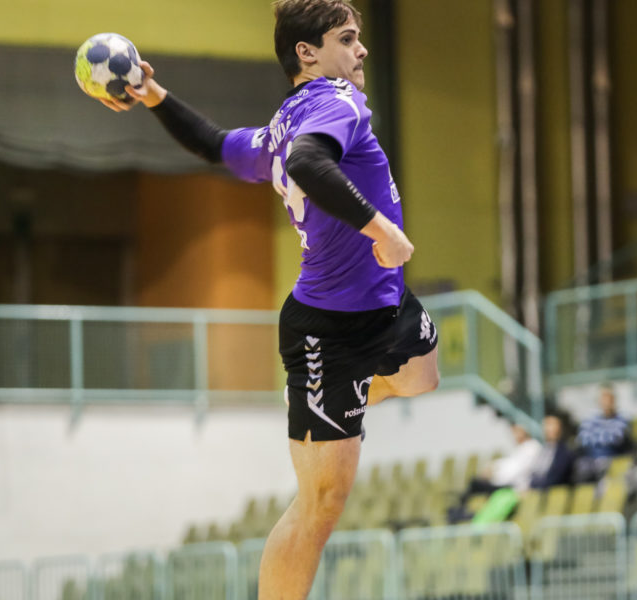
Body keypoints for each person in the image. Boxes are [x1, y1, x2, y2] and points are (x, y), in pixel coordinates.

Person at [97, 2, 440, 598]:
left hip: (384, 305)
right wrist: (380, 230)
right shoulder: (336, 100)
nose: (361, 51)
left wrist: (154, 96)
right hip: (325, 332)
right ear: (308, 53)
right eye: (347, 38)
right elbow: (309, 163)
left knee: (422, 379)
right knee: (321, 506)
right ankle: (330, 396)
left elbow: (211, 143)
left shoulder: (284, 125)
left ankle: (352, 395)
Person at [571, 384, 632, 483]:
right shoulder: (589, 420)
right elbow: (582, 440)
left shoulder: (623, 418)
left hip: (612, 460)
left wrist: (596, 438)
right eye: (604, 397)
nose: (606, 401)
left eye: (609, 397)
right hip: (590, 461)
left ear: (614, 400)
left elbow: (616, 439)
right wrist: (604, 438)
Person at [528, 412, 575, 489]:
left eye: (551, 424)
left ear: (560, 428)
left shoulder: (565, 453)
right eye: (546, 425)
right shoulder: (541, 450)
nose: (547, 428)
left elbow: (555, 478)